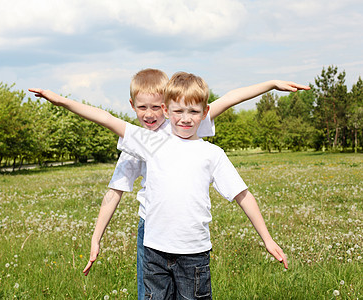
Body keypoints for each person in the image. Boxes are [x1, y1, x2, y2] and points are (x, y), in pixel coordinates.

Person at [29, 72, 308, 299]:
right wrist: (62, 101)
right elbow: (105, 118)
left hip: (193, 250)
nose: (185, 118)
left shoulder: (210, 150)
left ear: (202, 113)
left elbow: (242, 193)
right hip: (154, 243)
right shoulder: (147, 142)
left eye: (192, 112)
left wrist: (271, 84)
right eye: (177, 111)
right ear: (168, 109)